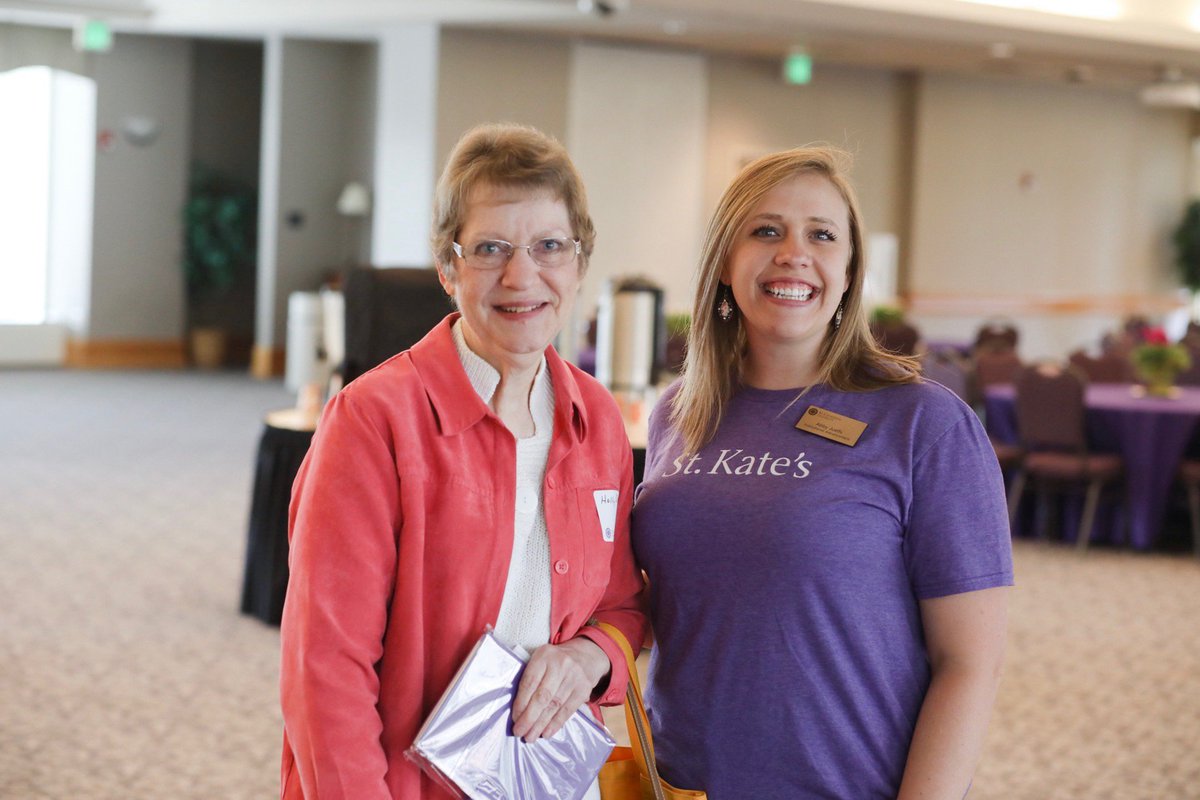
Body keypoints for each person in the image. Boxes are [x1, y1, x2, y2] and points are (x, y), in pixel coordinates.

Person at [279, 123, 647, 799]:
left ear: (579, 263)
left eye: (549, 247)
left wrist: (586, 656)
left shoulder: (596, 419)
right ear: (448, 268)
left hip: (549, 782)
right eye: (490, 249)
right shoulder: (374, 421)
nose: (522, 275)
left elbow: (623, 604)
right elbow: (324, 666)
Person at [632, 146, 1013, 799]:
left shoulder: (923, 423)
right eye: (766, 230)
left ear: (848, 271)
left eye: (822, 235)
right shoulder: (678, 412)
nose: (794, 253)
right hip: (679, 784)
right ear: (725, 260)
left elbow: (970, 664)